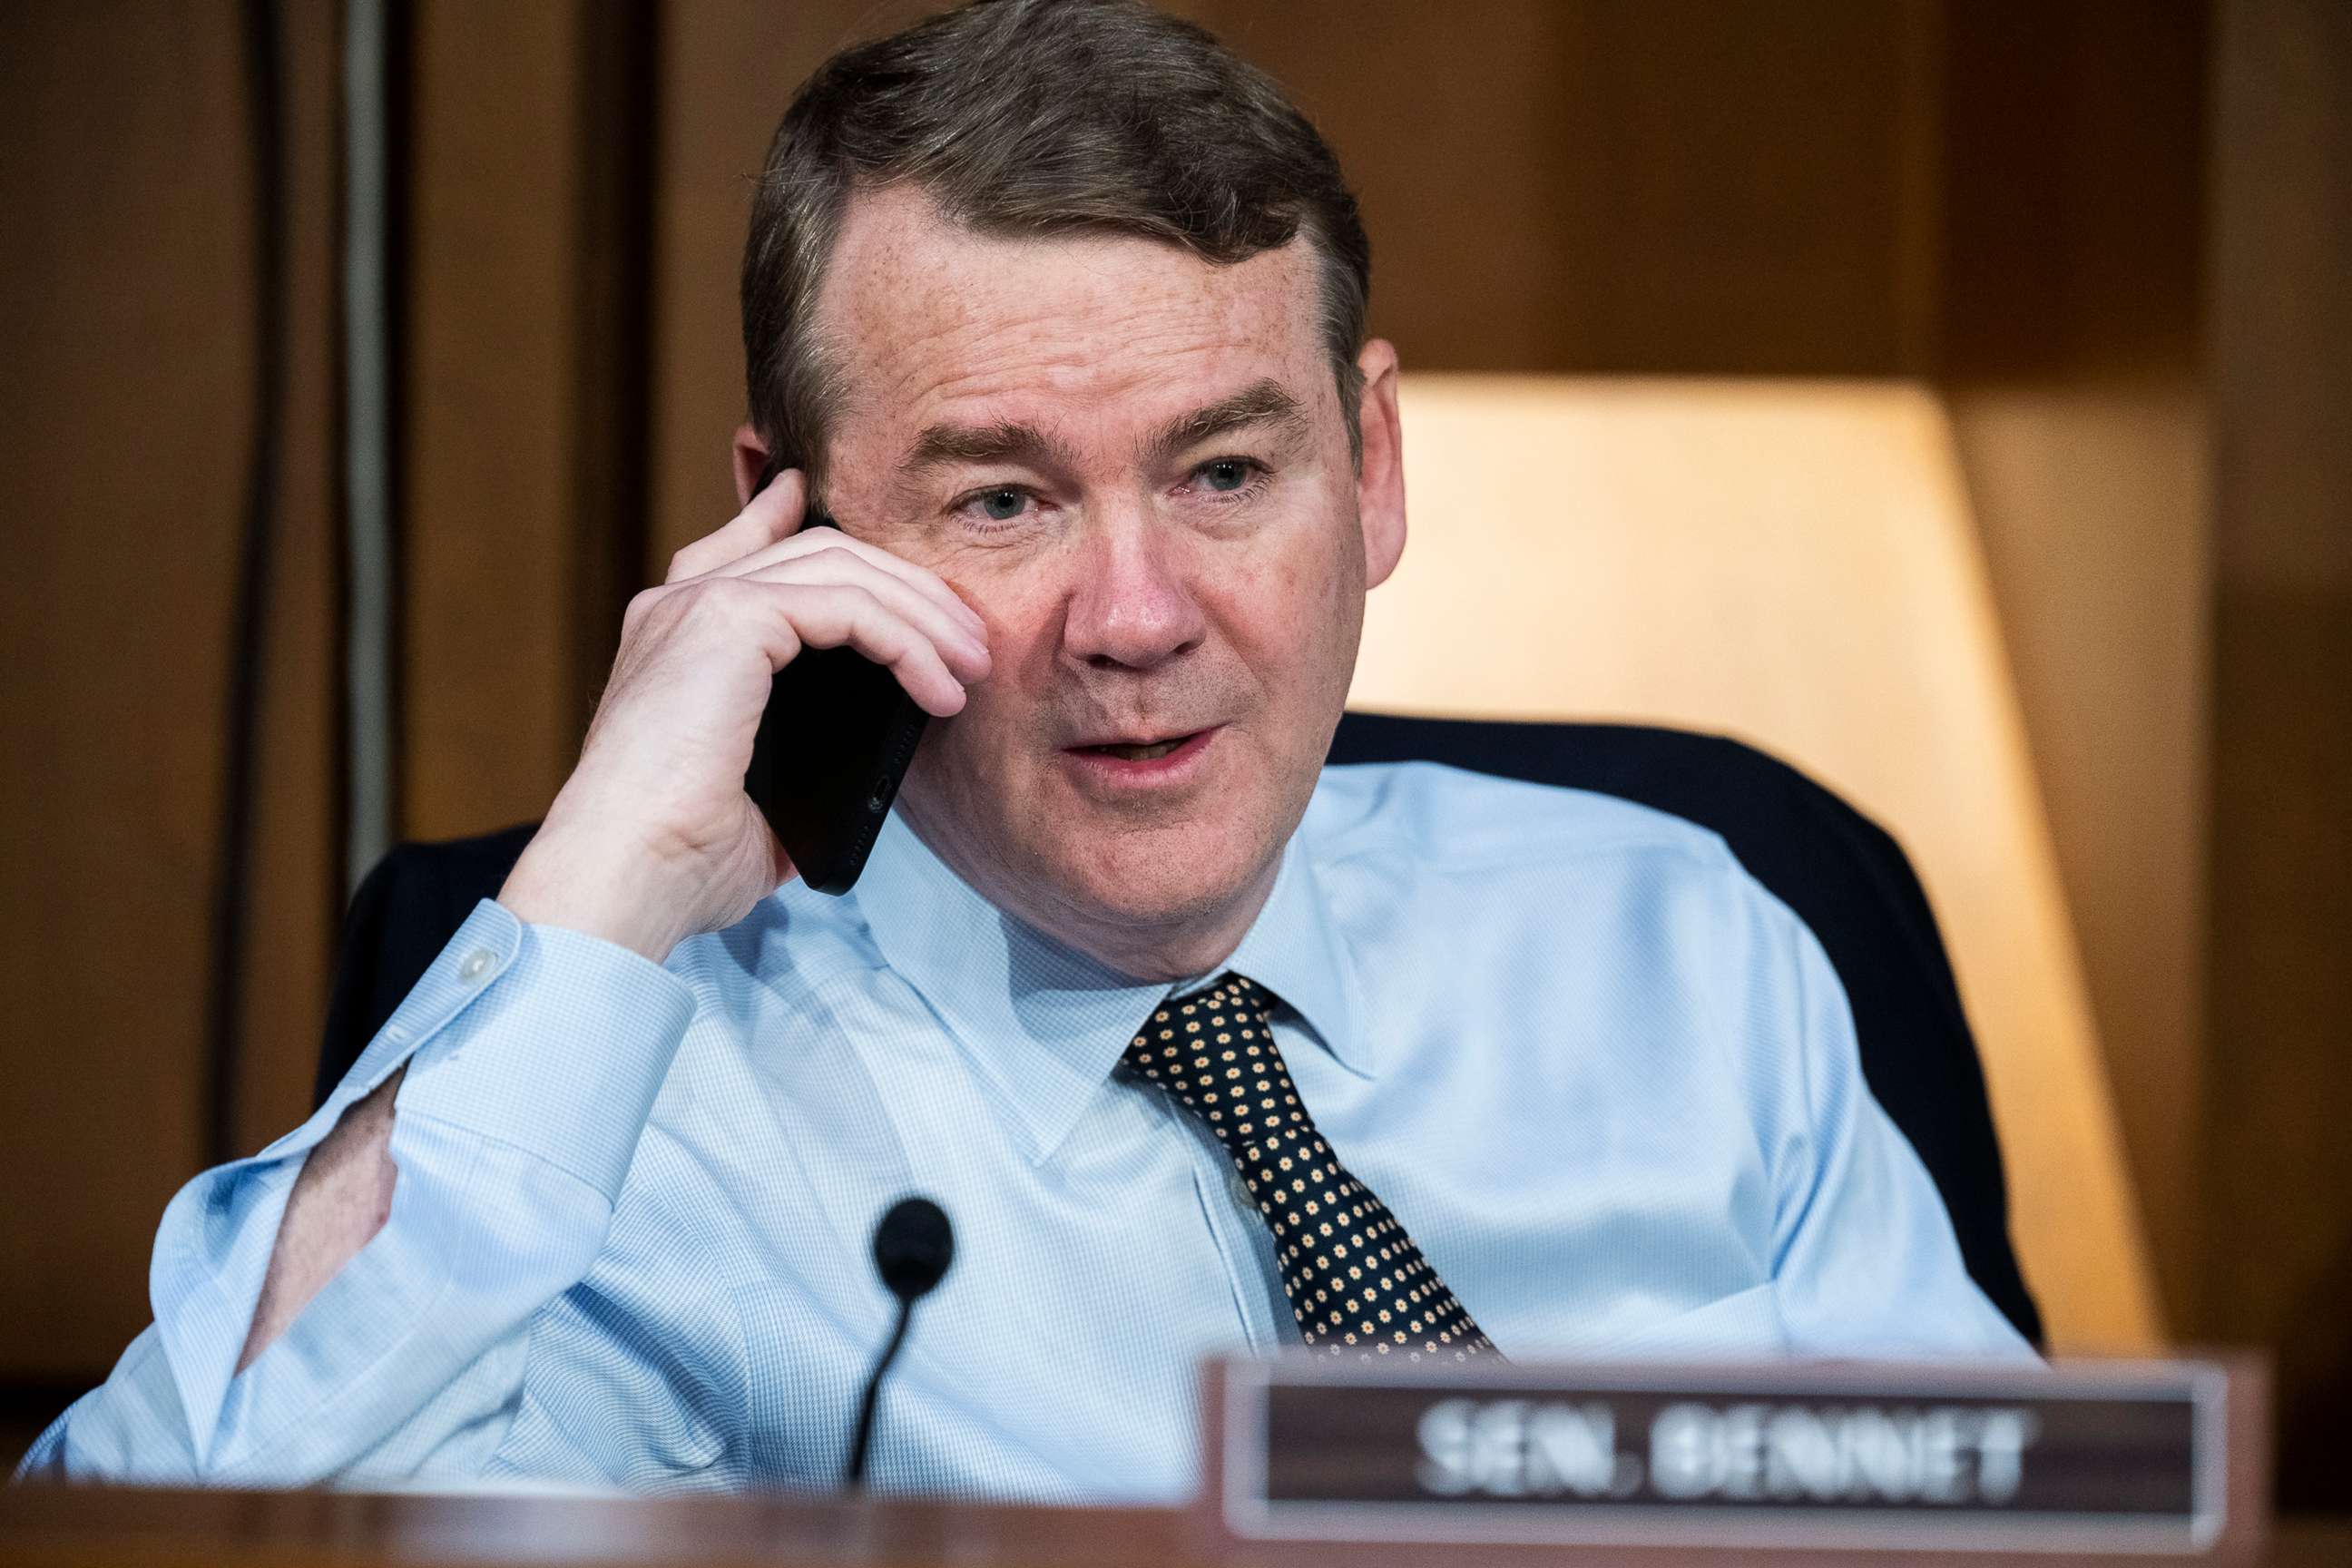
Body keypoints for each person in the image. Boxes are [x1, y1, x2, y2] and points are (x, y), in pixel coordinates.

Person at [22, 0, 2028, 1501]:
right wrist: (593, 894)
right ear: (796, 532)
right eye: (1002, 503)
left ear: (1374, 465)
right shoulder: (661, 1098)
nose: (1136, 617)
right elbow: (174, 1530)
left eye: (1227, 471)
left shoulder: (1689, 934)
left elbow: (2025, 1524)